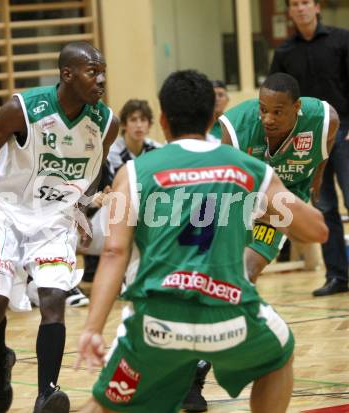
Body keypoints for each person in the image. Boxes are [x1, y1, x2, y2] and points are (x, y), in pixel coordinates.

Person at [75, 69, 328, 413]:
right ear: (213, 117)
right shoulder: (247, 169)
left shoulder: (134, 172)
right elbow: (318, 231)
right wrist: (258, 206)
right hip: (230, 318)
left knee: (104, 405)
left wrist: (92, 328)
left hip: (157, 324)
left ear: (162, 120)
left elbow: (114, 251)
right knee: (280, 353)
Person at [0, 42, 119, 413]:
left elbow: (94, 168)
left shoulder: (106, 123)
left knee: (53, 299)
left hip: (54, 218)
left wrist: (81, 207)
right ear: (66, 74)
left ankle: (47, 393)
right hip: (4, 212)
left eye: (103, 71)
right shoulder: (22, 109)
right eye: (91, 72)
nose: (101, 80)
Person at [220, 72, 338, 282]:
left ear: (297, 107)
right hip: (245, 198)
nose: (267, 119)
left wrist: (318, 175)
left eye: (277, 112)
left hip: (286, 195)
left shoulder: (325, 120)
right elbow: (224, 181)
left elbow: (326, 141)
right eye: (263, 110)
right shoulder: (236, 129)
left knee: (250, 270)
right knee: (226, 269)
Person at [269, 0, 349, 296]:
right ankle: (338, 275)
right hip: (308, 141)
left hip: (345, 133)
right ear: (289, 12)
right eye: (295, 5)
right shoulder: (284, 52)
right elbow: (275, 96)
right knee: (324, 204)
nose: (300, 9)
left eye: (305, 3)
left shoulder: (342, 40)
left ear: (316, 7)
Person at [78, 99, 161, 286]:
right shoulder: (108, 153)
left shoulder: (157, 150)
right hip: (103, 214)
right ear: (124, 124)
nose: (139, 125)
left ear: (150, 125)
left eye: (143, 120)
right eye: (133, 120)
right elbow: (101, 192)